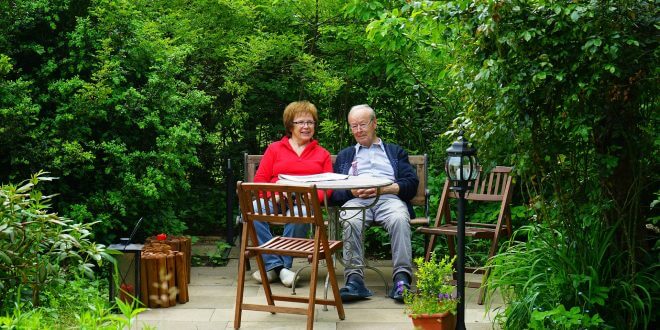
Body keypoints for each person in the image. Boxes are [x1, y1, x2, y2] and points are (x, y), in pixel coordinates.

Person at [330, 104, 419, 302]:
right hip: (357, 200)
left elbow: (411, 183)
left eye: (362, 124)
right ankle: (354, 281)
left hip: (388, 199)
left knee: (399, 218)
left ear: (374, 123)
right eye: (353, 126)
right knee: (350, 218)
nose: (358, 130)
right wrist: (351, 191)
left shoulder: (395, 152)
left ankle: (402, 280)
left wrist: (384, 189)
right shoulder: (346, 155)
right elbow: (334, 193)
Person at [251, 100, 333, 288]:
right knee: (254, 208)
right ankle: (278, 267)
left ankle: (279, 268)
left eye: (310, 122)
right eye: (301, 122)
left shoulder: (322, 154)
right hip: (276, 199)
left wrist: (304, 198)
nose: (306, 127)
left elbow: (328, 188)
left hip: (304, 202)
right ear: (290, 125)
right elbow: (260, 180)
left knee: (300, 213)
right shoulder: (275, 149)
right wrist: (274, 195)